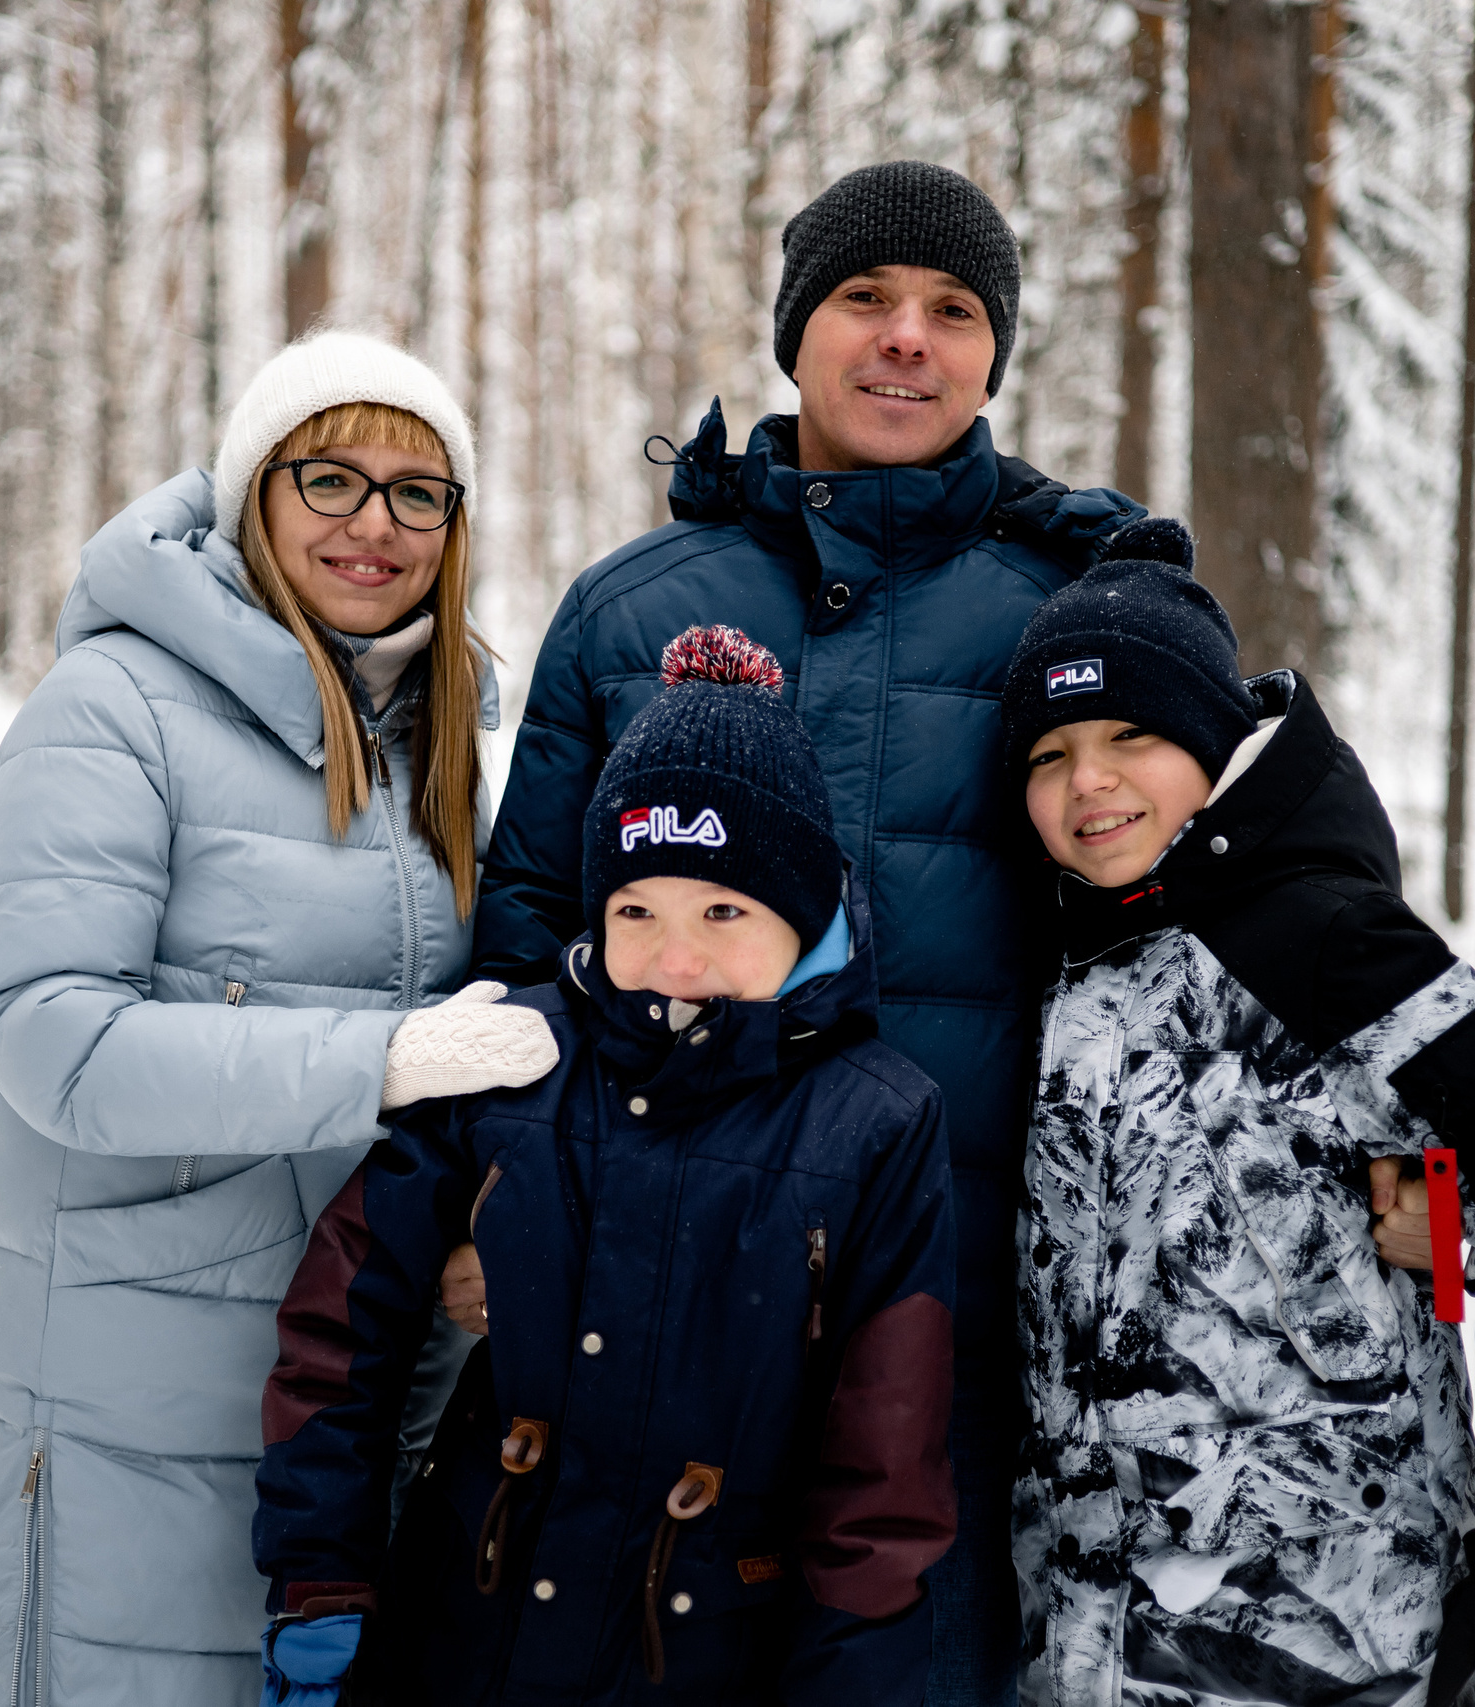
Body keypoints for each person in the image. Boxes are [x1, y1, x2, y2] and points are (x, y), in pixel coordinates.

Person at [466, 158, 1145, 1703]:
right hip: (644, 1317)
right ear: (797, 331)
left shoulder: (1070, 610)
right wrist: (482, 1205)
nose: (907, 336)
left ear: (992, 354)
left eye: (953, 309)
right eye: (866, 297)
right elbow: (525, 939)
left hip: (960, 1322)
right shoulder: (634, 610)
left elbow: (1223, 885)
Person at [0, 331, 560, 1706]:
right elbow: (57, 1039)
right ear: (252, 492)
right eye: (330, 476)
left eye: (420, 492)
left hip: (356, 1416)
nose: (374, 524)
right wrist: (383, 1058)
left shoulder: (441, 739)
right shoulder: (114, 707)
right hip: (136, 1409)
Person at [997, 520, 1475, 1706]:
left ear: (1212, 740)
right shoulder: (1050, 978)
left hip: (1342, 1628)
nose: (1088, 778)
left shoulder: (1336, 947)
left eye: (1130, 735)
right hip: (1083, 1641)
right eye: (1050, 752)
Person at [255, 627, 958, 1705]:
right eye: (636, 912)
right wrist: (321, 1584)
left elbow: (884, 1470)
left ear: (805, 913)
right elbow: (341, 1330)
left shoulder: (876, 1122)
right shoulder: (516, 1054)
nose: (676, 959)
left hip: (702, 1656)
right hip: (464, 1632)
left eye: (724, 911)